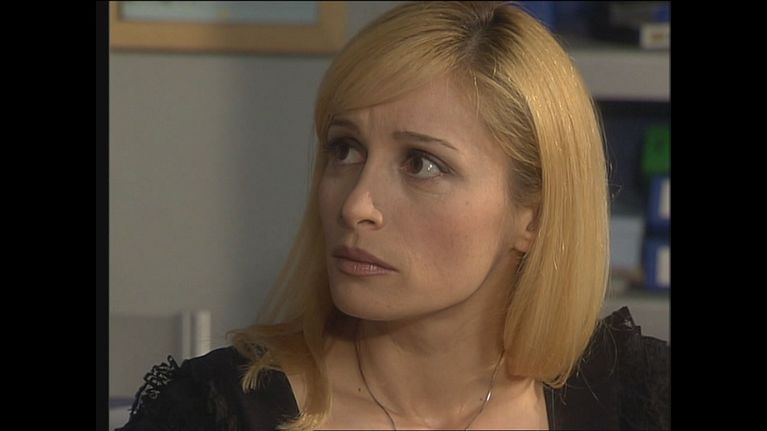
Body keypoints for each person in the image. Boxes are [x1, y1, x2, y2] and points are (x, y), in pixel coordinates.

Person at [117, 2, 669, 430]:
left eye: (421, 163)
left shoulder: (640, 399)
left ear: (533, 217)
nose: (355, 205)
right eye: (345, 149)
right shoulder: (212, 411)